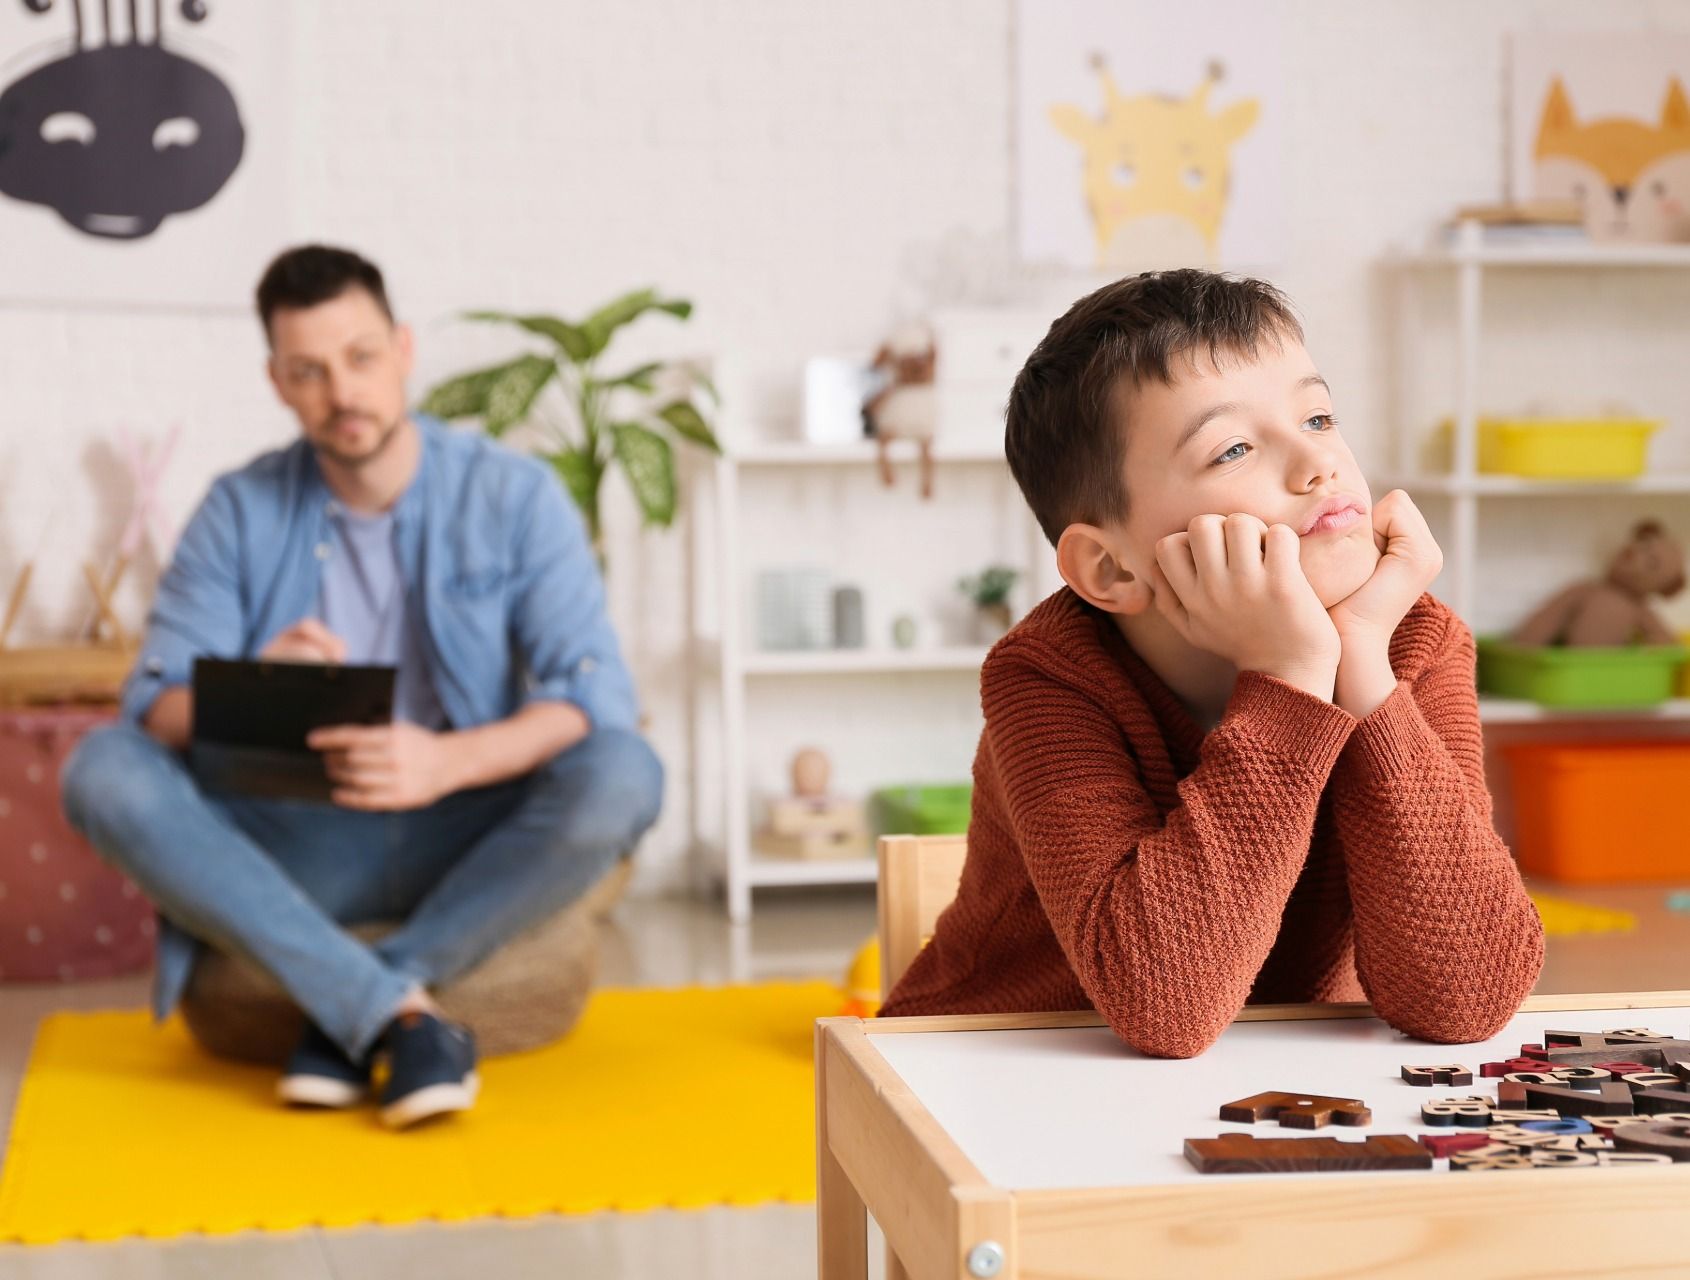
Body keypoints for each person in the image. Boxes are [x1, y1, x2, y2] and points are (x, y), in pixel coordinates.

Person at [61, 245, 663, 1126]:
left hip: (463, 829)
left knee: (625, 771)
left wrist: (448, 762)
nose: (342, 393)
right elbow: (155, 707)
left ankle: (358, 1004)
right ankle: (395, 1016)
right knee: (100, 768)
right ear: (277, 381)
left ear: (404, 350)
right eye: (308, 371)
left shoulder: (516, 496)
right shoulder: (238, 508)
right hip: (298, 837)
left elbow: (592, 692)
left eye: (361, 358)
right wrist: (259, 690)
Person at [877, 269, 1544, 1055]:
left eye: (1320, 416)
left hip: (1251, 1083)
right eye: (1232, 449)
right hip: (987, 1071)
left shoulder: (1411, 641)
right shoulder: (1048, 678)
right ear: (1112, 570)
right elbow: (1166, 1008)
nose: (1317, 464)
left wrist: (1362, 662)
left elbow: (1467, 1000)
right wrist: (1290, 677)